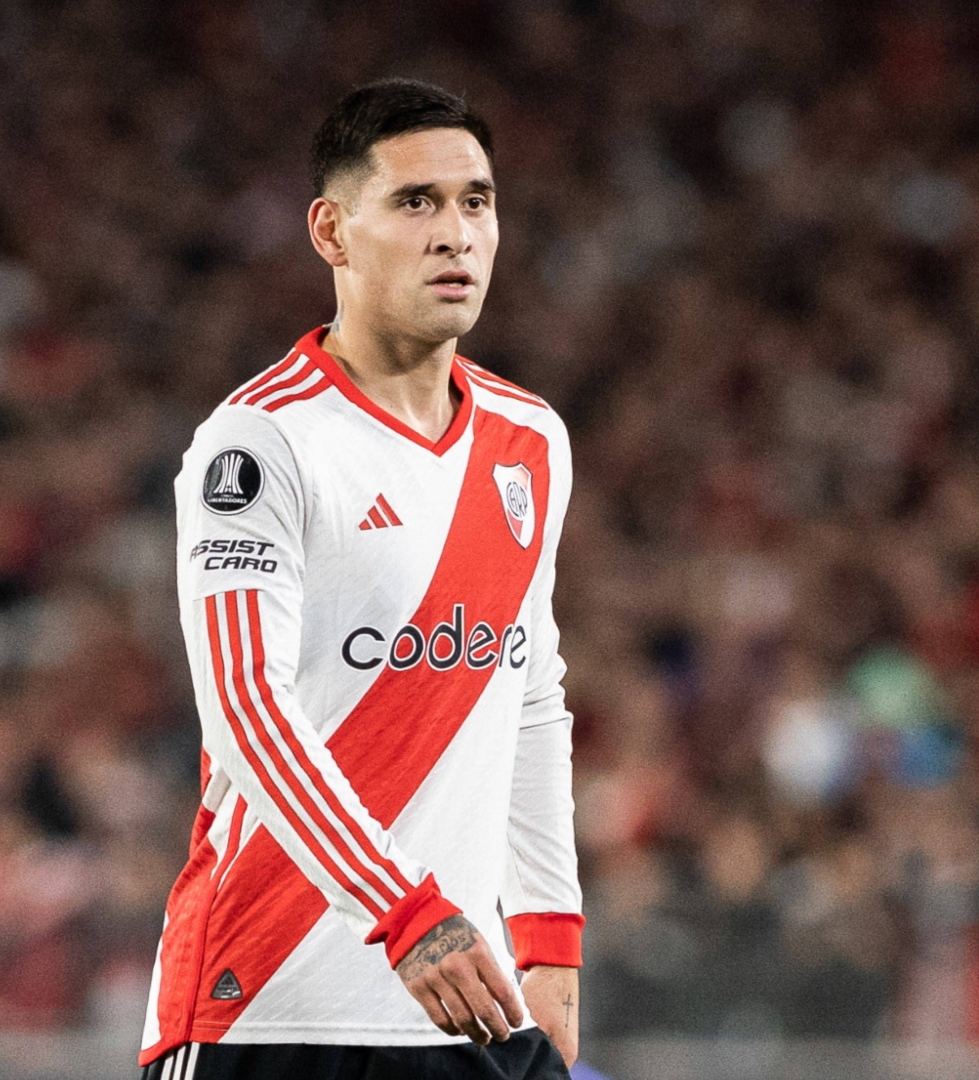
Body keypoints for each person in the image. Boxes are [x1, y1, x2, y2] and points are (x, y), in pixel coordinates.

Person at [139, 79, 582, 1080]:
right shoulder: (261, 444)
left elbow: (531, 698)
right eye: (415, 203)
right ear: (332, 232)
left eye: (477, 201)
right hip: (269, 1010)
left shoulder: (530, 441)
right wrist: (406, 914)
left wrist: (550, 940)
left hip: (469, 1010)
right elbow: (248, 710)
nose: (456, 234)